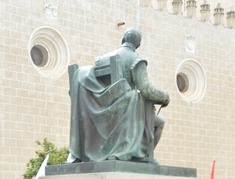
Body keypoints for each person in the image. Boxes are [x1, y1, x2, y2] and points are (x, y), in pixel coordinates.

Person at [68, 28, 170, 163]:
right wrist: (164, 97)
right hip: (124, 113)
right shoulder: (137, 59)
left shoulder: (101, 59)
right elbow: (145, 89)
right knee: (160, 123)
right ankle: (143, 157)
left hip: (101, 113)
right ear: (138, 44)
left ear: (123, 39)